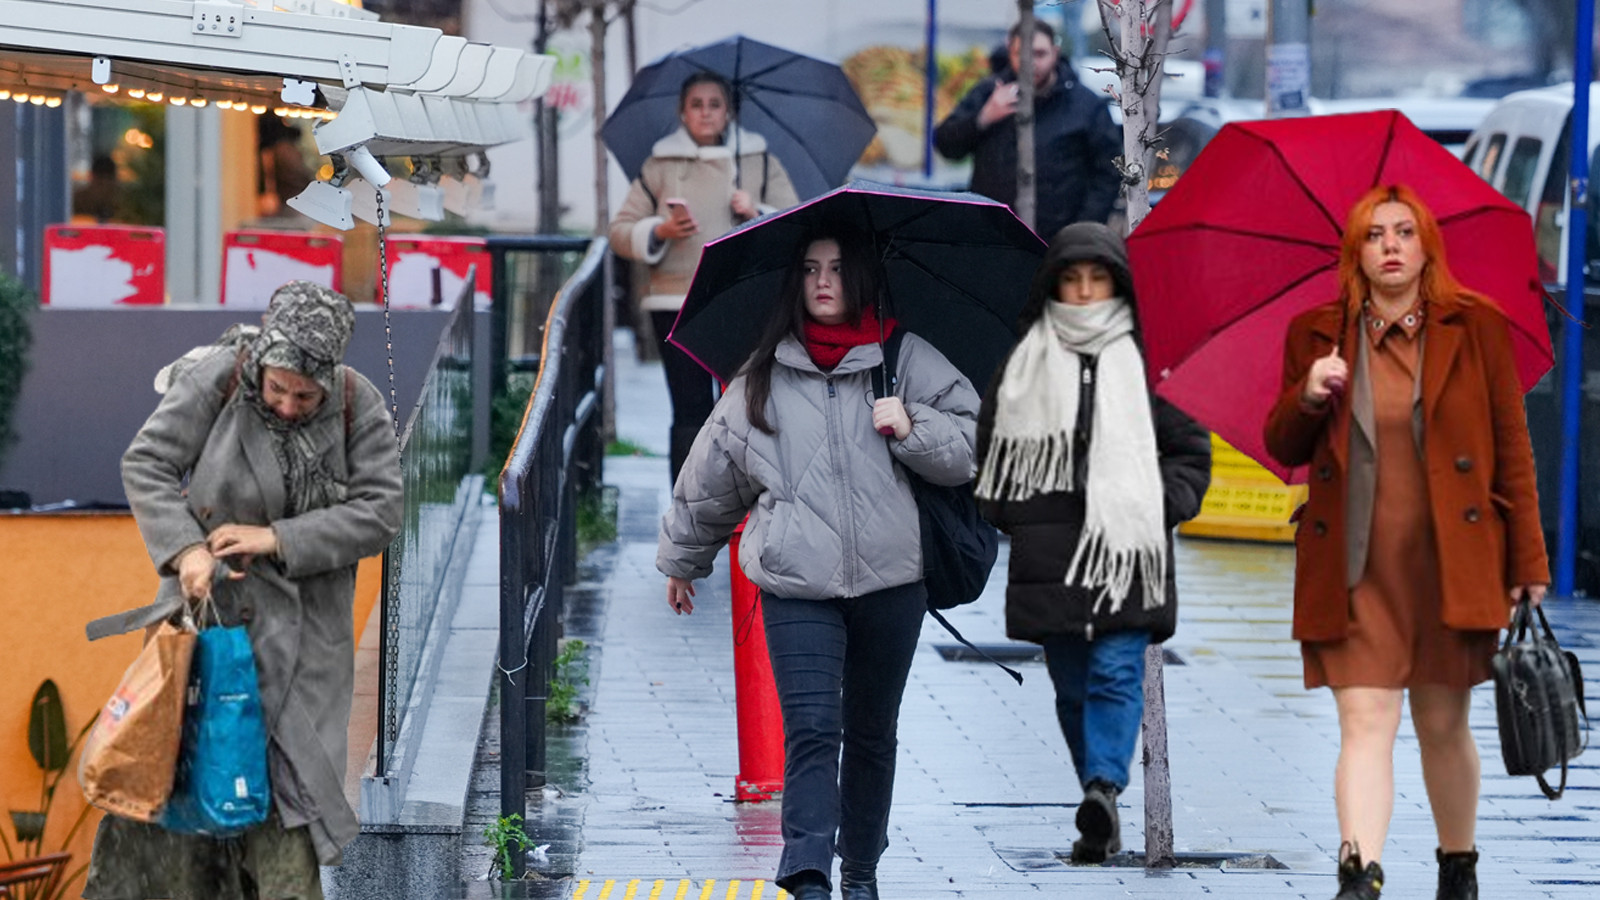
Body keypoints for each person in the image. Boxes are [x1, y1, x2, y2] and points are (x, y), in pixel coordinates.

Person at [657, 228, 979, 899]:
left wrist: (912, 424)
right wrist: (683, 560)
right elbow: (713, 473)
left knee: (870, 733)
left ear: (861, 276)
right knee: (810, 727)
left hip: (893, 583)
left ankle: (859, 871)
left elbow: (968, 452)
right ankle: (807, 870)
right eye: (809, 269)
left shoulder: (906, 358)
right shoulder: (764, 373)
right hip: (796, 583)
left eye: (836, 268)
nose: (822, 281)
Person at [1263, 185, 1549, 900]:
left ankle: (1459, 864)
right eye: (1373, 234)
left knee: (1443, 724)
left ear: (1427, 247)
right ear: (1354, 250)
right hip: (1355, 567)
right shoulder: (1317, 334)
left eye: (1404, 232)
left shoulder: (1476, 326)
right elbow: (1281, 445)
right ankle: (1360, 872)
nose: (1390, 246)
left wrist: (1529, 563)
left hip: (1452, 564)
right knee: (1364, 720)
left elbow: (1513, 450)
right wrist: (1307, 392)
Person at [83, 281, 404, 900]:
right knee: (183, 787)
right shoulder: (222, 376)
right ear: (260, 365)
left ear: (330, 380)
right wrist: (187, 551)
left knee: (287, 808)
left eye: (303, 396)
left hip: (303, 649)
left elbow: (381, 512)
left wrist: (276, 538)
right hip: (207, 636)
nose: (287, 404)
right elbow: (146, 462)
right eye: (277, 388)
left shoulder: (356, 405)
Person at [974, 222, 1211, 863]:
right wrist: (1019, 516)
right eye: (1072, 280)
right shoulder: (1024, 362)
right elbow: (989, 456)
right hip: (1050, 556)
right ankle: (1096, 803)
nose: (1084, 292)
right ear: (1055, 286)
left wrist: (1155, 504)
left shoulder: (1148, 362)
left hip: (1127, 551)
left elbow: (1190, 453)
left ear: (1118, 284)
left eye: (1096, 278)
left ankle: (1104, 786)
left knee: (1115, 671)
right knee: (1072, 687)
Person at [610, 71, 801, 485]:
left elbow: (797, 223)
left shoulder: (759, 161)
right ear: (682, 112)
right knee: (690, 409)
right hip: (675, 303)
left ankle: (743, 506)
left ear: (728, 111)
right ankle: (687, 510)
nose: (705, 113)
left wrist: (757, 210)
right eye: (696, 104)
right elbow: (621, 231)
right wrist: (660, 230)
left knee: (746, 406)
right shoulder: (660, 165)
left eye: (714, 104)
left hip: (744, 302)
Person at [933, 20, 1120, 240]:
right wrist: (983, 118)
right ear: (1009, 53)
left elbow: (1109, 172)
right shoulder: (990, 93)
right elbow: (945, 144)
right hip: (993, 238)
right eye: (1021, 54)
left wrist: (1082, 229)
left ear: (1055, 53)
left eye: (1040, 54)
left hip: (1058, 241)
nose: (1030, 63)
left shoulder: (1084, 105)